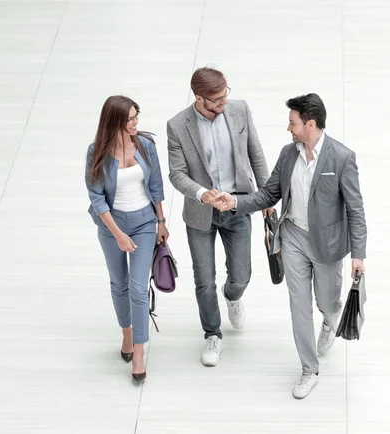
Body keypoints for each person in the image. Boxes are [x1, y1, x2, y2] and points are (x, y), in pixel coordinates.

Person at [214, 93, 367, 398]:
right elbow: (268, 195)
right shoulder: (288, 154)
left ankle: (328, 321)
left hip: (328, 245)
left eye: (293, 122)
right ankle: (309, 370)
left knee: (327, 301)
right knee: (299, 306)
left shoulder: (341, 157)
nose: (289, 128)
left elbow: (355, 208)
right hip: (294, 237)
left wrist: (359, 254)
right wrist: (235, 202)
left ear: (310, 124)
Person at [167, 67, 271, 367]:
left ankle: (233, 296)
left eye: (226, 95)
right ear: (200, 98)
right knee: (204, 279)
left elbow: (256, 153)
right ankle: (212, 334)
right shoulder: (177, 125)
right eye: (217, 99)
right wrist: (202, 193)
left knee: (242, 274)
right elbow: (177, 173)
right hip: (201, 212)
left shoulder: (240, 110)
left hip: (238, 204)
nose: (223, 102)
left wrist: (265, 197)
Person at [85, 95, 169, 382]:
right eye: (131, 118)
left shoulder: (146, 146)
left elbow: (156, 185)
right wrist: (118, 234)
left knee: (137, 288)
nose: (136, 123)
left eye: (137, 117)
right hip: (112, 225)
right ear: (115, 122)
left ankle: (139, 350)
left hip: (144, 222)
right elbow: (97, 198)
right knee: (118, 285)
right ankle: (126, 332)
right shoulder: (97, 151)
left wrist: (161, 221)